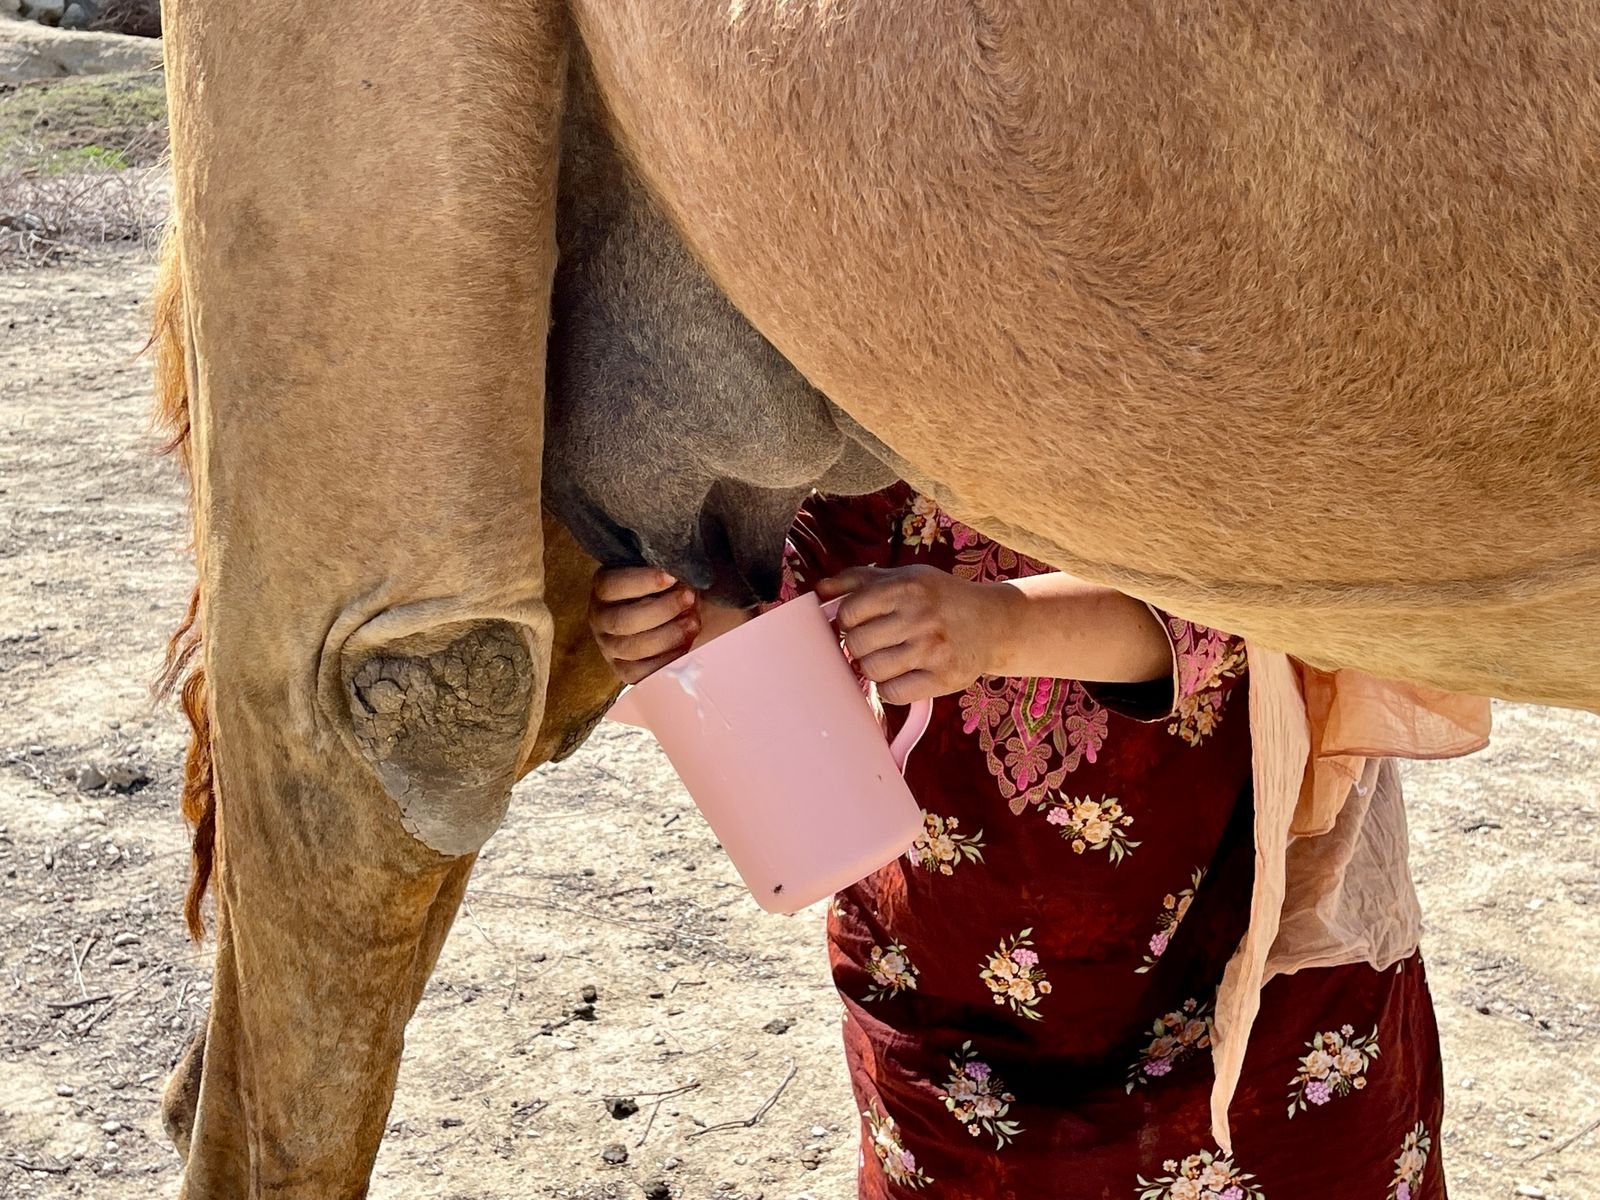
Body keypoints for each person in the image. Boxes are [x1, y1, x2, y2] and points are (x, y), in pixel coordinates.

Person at [588, 483, 1455, 1199]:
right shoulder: (867, 363)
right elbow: (797, 607)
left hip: (1231, 961)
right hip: (946, 996)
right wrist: (692, 632)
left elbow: (1258, 599)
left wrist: (1000, 625)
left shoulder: (1183, 331)